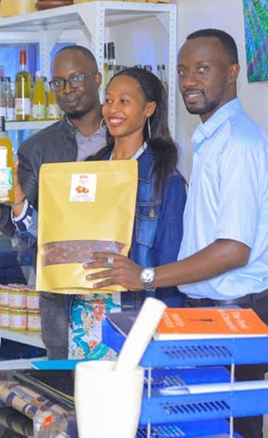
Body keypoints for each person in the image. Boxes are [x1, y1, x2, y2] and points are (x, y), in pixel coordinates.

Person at [85, 29, 268, 438]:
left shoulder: (238, 144)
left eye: (203, 69)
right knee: (204, 437)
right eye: (183, 71)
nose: (190, 80)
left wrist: (144, 276)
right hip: (210, 310)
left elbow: (233, 250)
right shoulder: (210, 141)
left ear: (232, 73)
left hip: (238, 314)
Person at [0, 45, 109, 359]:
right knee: (66, 390)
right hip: (61, 293)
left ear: (98, 78)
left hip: (120, 288)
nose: (67, 89)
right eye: (58, 83)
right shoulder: (38, 148)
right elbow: (21, 221)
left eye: (76, 78)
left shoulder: (126, 135)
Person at [66, 67, 186, 359]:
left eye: (124, 101)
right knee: (88, 400)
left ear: (149, 109)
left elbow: (171, 260)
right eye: (108, 101)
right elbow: (66, 234)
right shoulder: (89, 169)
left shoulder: (165, 178)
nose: (113, 109)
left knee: (132, 400)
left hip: (138, 313)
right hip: (87, 312)